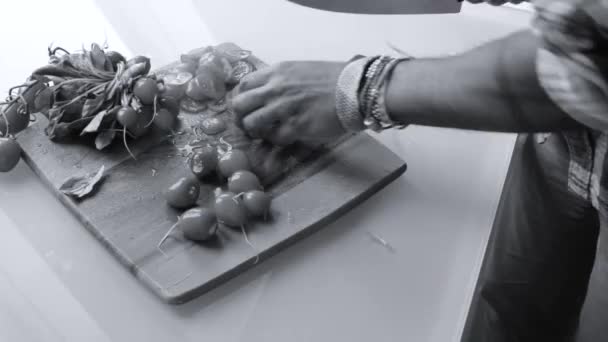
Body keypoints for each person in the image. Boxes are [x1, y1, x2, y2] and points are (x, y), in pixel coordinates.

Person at [232, 0, 608, 340]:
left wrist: (365, 88)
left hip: (571, 112)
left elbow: (584, 65)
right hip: (565, 139)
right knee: (516, 307)